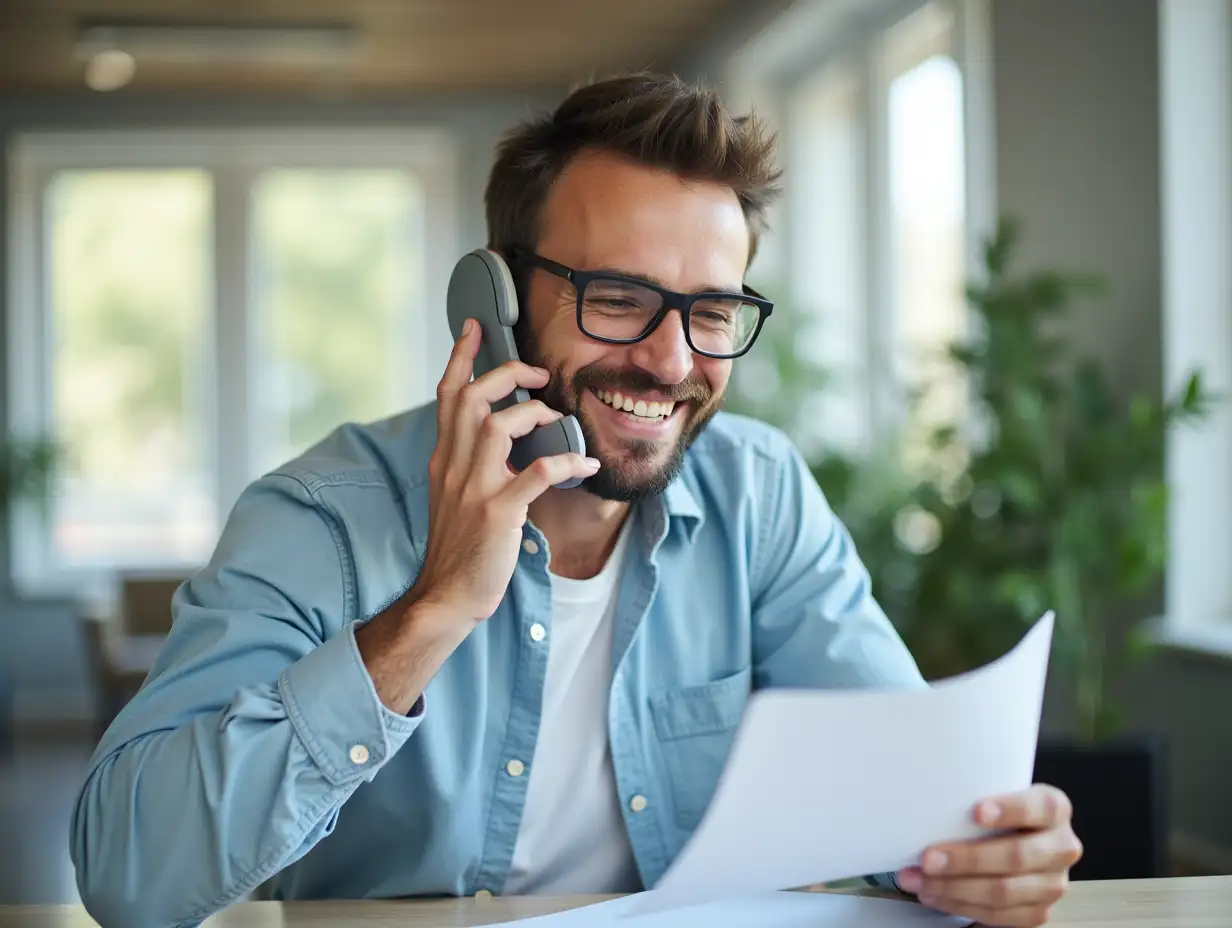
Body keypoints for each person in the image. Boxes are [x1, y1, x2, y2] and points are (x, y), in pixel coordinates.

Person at [70, 72, 1081, 928]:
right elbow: (124, 874)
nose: (672, 359)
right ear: (493, 300)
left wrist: (979, 850)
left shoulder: (756, 494)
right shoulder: (319, 520)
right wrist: (434, 610)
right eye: (618, 299)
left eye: (712, 312)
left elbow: (908, 799)